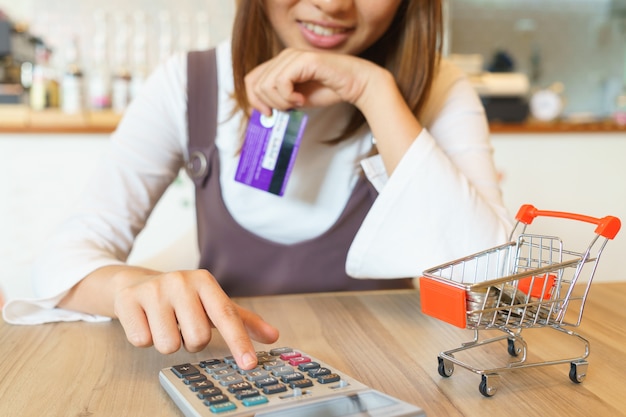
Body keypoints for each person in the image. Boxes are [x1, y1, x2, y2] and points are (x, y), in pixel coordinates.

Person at [2, 0, 512, 371]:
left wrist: (373, 90)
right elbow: (63, 260)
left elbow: (496, 286)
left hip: (387, 378)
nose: (333, 4)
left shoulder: (440, 89)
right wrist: (128, 284)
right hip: (232, 372)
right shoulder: (188, 81)